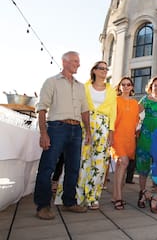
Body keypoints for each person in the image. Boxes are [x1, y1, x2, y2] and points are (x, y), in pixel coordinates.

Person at [34, 51, 91, 220]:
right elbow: (42, 108)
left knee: (73, 168)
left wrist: (88, 131)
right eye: (75, 61)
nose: (78, 64)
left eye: (79, 61)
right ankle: (42, 206)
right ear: (64, 62)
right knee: (47, 167)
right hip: (56, 128)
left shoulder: (81, 86)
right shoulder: (51, 82)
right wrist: (43, 133)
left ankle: (69, 201)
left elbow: (85, 110)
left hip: (76, 130)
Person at [57, 61, 117, 210]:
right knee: (80, 161)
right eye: (101, 68)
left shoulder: (111, 90)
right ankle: (75, 196)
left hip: (103, 127)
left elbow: (113, 113)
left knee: (99, 163)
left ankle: (92, 197)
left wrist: (111, 132)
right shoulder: (84, 87)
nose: (104, 71)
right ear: (94, 71)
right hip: (84, 126)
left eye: (106, 69)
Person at [136, 76, 157, 208]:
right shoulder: (145, 100)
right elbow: (135, 116)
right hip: (145, 136)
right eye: (155, 85)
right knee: (143, 165)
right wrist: (136, 129)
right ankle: (142, 193)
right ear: (151, 87)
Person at [110, 77, 140, 209]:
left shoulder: (135, 103)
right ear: (119, 86)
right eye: (123, 84)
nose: (126, 87)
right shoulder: (115, 101)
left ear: (132, 87)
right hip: (117, 137)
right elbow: (111, 119)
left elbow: (136, 121)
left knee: (120, 167)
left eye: (128, 84)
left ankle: (115, 196)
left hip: (130, 138)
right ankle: (119, 198)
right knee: (124, 162)